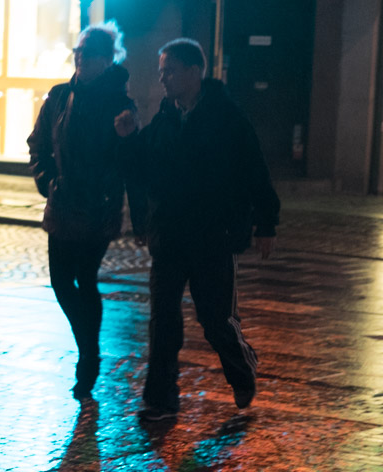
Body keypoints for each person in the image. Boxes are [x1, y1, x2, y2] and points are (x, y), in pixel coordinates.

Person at [115, 38, 279, 420]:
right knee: (163, 320)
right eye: (161, 72)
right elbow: (144, 171)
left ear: (194, 72)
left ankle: (242, 369)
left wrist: (265, 222)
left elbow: (255, 172)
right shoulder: (165, 117)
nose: (163, 79)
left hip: (212, 237)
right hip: (169, 236)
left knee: (215, 319)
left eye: (169, 71)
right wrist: (127, 142)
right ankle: (160, 398)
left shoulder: (227, 117)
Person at [27, 21, 140, 402]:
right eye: (78, 50)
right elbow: (38, 144)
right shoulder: (59, 96)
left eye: (89, 53)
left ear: (108, 60)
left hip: (99, 206)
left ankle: (87, 360)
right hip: (63, 202)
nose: (80, 58)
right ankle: (89, 347)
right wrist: (47, 181)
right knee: (61, 282)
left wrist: (129, 137)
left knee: (85, 278)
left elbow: (129, 160)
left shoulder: (120, 104)